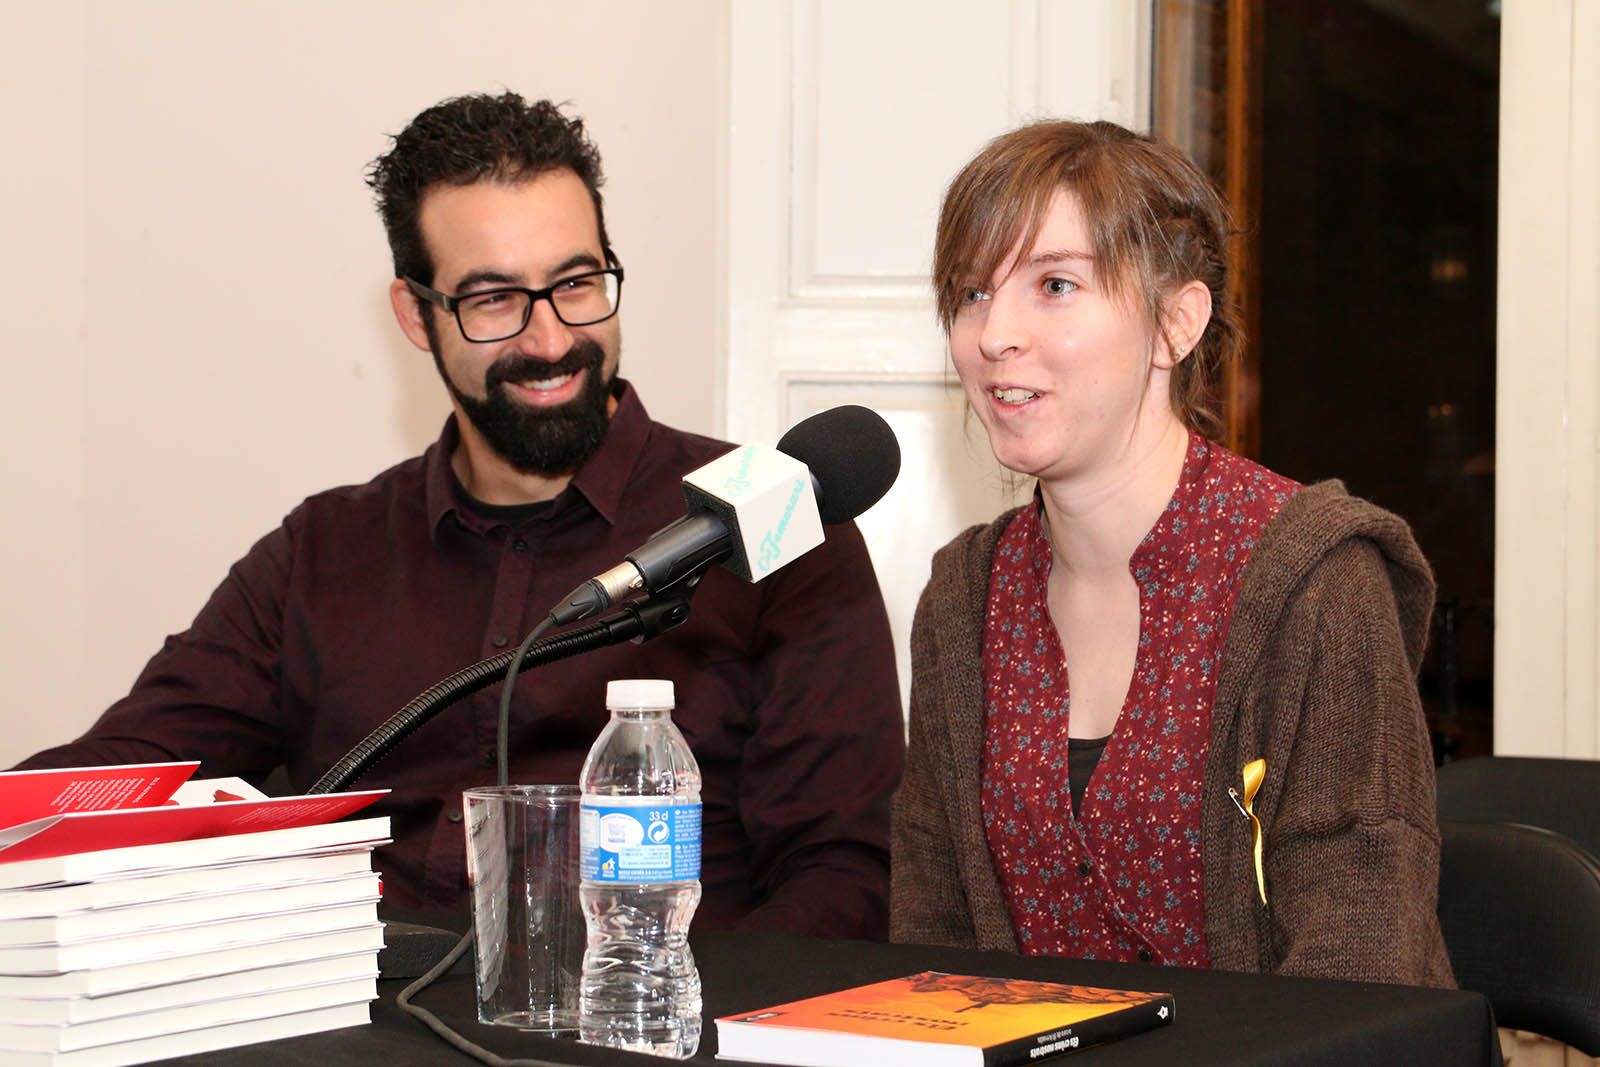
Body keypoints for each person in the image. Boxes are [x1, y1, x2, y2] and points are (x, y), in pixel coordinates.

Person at [17, 92, 904, 938]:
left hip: (649, 1028)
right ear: (416, 314)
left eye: (578, 283)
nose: (551, 338)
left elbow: (842, 877)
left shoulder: (773, 525)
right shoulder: (319, 555)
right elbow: (116, 779)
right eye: (493, 301)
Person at [890, 119, 1454, 986]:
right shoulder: (964, 598)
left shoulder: (1319, 581)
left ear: (1176, 323)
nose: (994, 332)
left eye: (1054, 284)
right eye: (971, 293)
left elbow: (1363, 954)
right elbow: (933, 942)